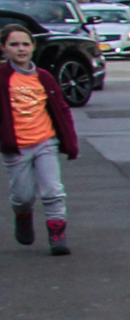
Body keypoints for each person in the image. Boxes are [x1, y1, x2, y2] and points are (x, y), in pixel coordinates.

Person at [2, 25, 78, 256]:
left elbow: (61, 109)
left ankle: (57, 234)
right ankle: (23, 215)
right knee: (23, 196)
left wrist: (70, 141)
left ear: (33, 47)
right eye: (14, 44)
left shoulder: (43, 77)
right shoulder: (3, 77)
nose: (21, 49)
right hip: (16, 147)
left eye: (25, 44)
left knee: (53, 191)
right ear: (3, 48)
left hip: (45, 142)